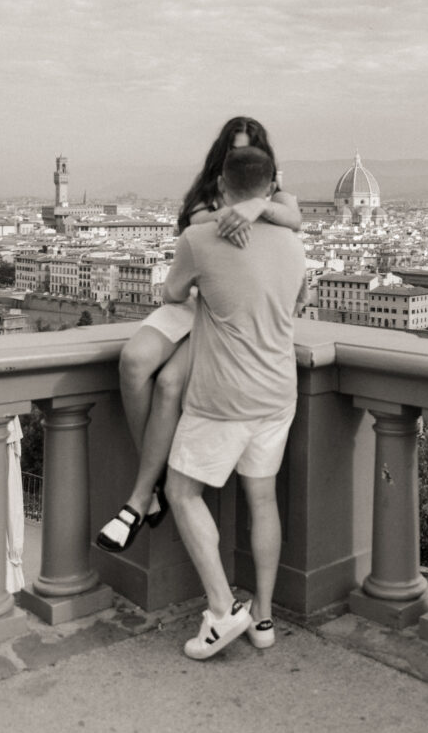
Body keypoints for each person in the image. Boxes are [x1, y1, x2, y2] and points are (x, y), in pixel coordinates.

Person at [96, 117, 301, 553]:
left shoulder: (274, 197)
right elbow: (189, 248)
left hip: (223, 312)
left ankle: (139, 496)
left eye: (248, 152)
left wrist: (254, 206)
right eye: (233, 152)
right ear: (223, 159)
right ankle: (152, 480)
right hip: (189, 298)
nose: (239, 158)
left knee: (170, 383)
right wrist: (236, 208)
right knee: (134, 363)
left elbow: (293, 216)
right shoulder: (207, 193)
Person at [164, 145, 306, 659]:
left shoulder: (199, 239)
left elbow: (171, 294)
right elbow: (296, 301)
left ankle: (222, 612)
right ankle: (262, 619)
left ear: (221, 185)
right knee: (262, 500)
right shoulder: (293, 244)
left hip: (223, 397)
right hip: (277, 393)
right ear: (270, 189)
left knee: (181, 491)